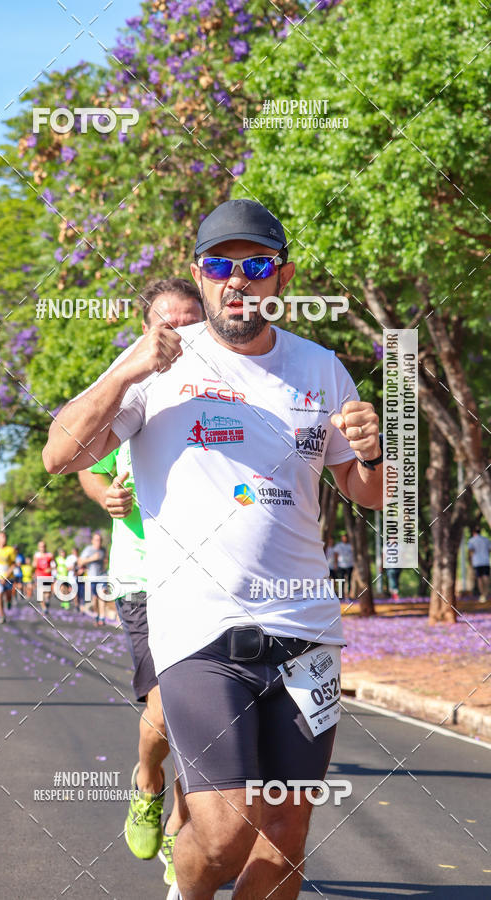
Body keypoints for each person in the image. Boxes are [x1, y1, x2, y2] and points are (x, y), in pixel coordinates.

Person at [43, 198, 384, 899]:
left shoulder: (322, 371)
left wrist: (378, 458)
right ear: (198, 275)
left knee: (286, 839)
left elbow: (365, 491)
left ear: (281, 278)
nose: (238, 280)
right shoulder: (158, 367)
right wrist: (129, 367)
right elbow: (60, 453)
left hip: (307, 632)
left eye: (255, 265)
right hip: (201, 630)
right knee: (226, 830)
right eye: (220, 265)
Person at [78, 278, 203, 888]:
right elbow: (83, 462)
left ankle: (187, 838)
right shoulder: (126, 382)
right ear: (146, 327)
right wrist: (108, 494)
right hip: (143, 579)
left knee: (204, 721)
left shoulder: (231, 378)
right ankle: (148, 781)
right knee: (165, 712)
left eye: (189, 320)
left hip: (214, 581)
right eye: (166, 323)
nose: (178, 332)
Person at [78, 533, 106, 624]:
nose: (99, 542)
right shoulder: (88, 550)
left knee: (102, 594)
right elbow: (80, 562)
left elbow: (105, 560)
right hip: (92, 577)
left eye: (100, 540)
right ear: (92, 541)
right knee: (95, 598)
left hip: (102, 576)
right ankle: (97, 615)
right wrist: (92, 558)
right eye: (97, 540)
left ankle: (102, 617)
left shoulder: (103, 550)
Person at [468, 526, 491, 603]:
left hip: (477, 562)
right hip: (485, 561)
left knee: (479, 578)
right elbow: (489, 550)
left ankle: (483, 595)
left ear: (474, 532)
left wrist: (470, 561)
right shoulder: (486, 540)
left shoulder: (471, 540)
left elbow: (471, 551)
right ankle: (486, 592)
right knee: (486, 577)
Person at [32, 540, 55, 615]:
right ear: (38, 547)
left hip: (47, 576)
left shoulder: (50, 555)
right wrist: (34, 566)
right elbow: (34, 565)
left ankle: (47, 600)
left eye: (44, 546)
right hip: (39, 575)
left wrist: (50, 569)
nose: (42, 548)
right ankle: (44, 608)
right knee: (40, 593)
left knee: (47, 593)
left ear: (46, 547)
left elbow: (55, 565)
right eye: (41, 546)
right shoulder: (36, 555)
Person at [333, 533, 354, 600]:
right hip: (341, 566)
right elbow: (336, 555)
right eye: (343, 537)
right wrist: (335, 564)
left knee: (349, 581)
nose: (345, 539)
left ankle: (348, 596)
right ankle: (341, 596)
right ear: (342, 538)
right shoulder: (338, 545)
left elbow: (354, 555)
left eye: (346, 537)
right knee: (341, 581)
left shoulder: (350, 545)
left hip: (349, 565)